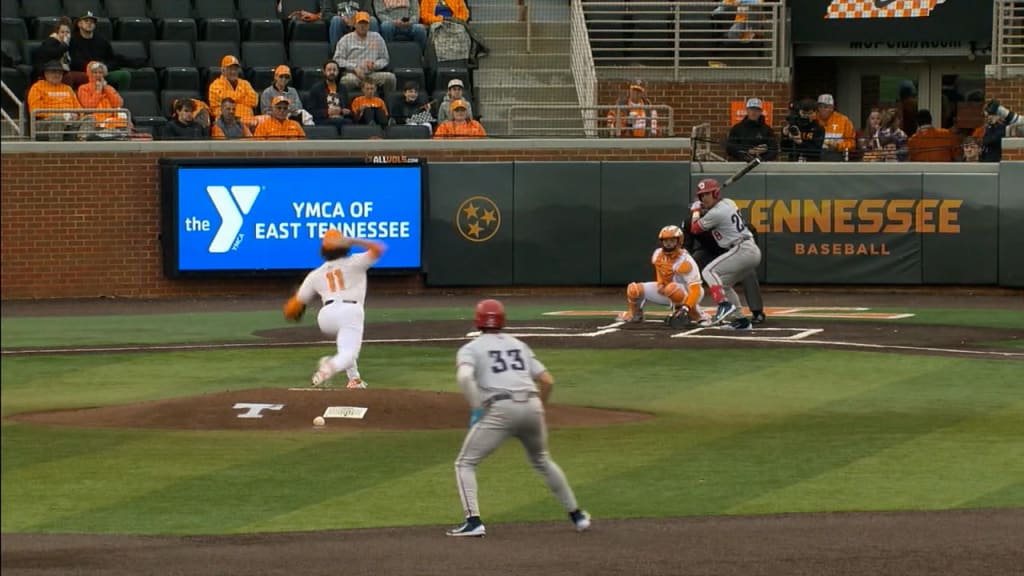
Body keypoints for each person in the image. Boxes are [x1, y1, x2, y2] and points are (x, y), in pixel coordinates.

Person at [447, 298, 591, 537]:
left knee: (465, 463)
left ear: (478, 321)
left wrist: (476, 409)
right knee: (542, 460)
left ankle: (473, 521)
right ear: (503, 320)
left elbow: (464, 378)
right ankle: (577, 516)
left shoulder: (470, 349)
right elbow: (547, 380)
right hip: (532, 405)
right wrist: (538, 409)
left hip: (500, 409)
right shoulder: (519, 345)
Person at [283, 230, 386, 389]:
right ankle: (328, 367)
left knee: (345, 343)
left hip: (326, 317)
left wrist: (292, 309)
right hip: (350, 310)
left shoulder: (316, 274)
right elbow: (379, 248)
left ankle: (355, 380)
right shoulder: (356, 261)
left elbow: (293, 307)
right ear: (344, 247)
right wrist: (353, 240)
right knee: (348, 353)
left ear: (323, 251)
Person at [689, 178, 761, 330]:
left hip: (742, 248)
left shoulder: (717, 212)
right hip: (748, 248)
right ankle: (741, 321)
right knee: (724, 285)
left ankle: (723, 304)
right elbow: (713, 212)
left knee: (708, 271)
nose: (703, 198)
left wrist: (696, 211)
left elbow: (695, 228)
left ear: (715, 193)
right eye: (701, 196)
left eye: (706, 194)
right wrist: (704, 207)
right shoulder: (728, 202)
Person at [618, 225, 708, 327]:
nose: (668, 244)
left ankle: (699, 316)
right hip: (668, 289)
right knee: (633, 289)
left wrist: (686, 307)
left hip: (690, 292)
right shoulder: (658, 254)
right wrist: (660, 282)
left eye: (672, 240)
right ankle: (634, 315)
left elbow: (695, 289)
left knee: (672, 289)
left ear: (679, 241)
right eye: (665, 241)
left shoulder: (686, 260)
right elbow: (659, 271)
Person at [683, 217, 766, 324]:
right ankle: (686, 309)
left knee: (748, 272)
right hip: (708, 250)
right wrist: (684, 260)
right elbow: (686, 245)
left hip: (730, 250)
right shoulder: (690, 222)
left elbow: (750, 229)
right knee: (689, 266)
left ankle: (757, 311)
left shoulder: (723, 215)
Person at [27, 60, 94, 140]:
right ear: (45, 73)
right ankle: (56, 148)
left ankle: (82, 142)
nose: (57, 74)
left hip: (69, 122)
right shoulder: (37, 87)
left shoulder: (67, 88)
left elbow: (78, 109)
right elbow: (35, 110)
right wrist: (61, 115)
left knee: (90, 118)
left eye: (60, 72)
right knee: (58, 119)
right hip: (45, 122)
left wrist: (77, 115)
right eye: (53, 72)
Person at [334, 11, 397, 94]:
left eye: (365, 24)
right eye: (360, 23)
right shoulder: (345, 39)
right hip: (353, 74)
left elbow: (384, 59)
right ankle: (344, 104)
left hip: (372, 74)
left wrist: (375, 65)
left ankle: (388, 103)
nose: (363, 26)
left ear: (369, 25)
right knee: (346, 80)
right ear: (355, 24)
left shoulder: (377, 37)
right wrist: (354, 68)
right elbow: (337, 59)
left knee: (390, 78)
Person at [69, 11, 130, 91]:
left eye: (92, 22)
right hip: (84, 73)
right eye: (86, 21)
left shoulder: (102, 41)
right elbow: (73, 61)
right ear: (79, 24)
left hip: (102, 73)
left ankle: (120, 101)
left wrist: (105, 68)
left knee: (124, 75)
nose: (89, 23)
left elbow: (112, 59)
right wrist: (91, 69)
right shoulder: (72, 40)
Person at [75, 61, 127, 136]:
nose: (98, 75)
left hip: (110, 120)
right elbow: (88, 106)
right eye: (95, 73)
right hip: (93, 121)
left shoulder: (109, 88)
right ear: (89, 74)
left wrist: (105, 88)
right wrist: (98, 91)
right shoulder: (83, 88)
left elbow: (118, 104)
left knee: (124, 118)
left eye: (100, 73)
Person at [208, 55, 259, 122]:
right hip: (225, 122)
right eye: (230, 69)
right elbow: (216, 107)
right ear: (223, 70)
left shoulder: (245, 83)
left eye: (235, 69)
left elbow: (254, 101)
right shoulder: (215, 85)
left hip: (247, 121)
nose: (233, 72)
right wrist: (242, 98)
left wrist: (232, 99)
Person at [725, 97, 778, 162]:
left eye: (757, 110)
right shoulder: (737, 128)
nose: (754, 112)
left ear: (761, 111)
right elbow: (730, 148)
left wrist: (762, 158)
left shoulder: (767, 130)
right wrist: (748, 151)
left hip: (761, 166)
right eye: (751, 109)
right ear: (747, 110)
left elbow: (774, 150)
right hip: (741, 165)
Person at [308, 60, 354, 128]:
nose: (332, 72)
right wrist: (327, 112)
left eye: (334, 70)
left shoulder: (343, 88)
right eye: (329, 70)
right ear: (324, 72)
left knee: (349, 122)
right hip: (323, 119)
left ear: (338, 72)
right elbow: (310, 111)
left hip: (341, 118)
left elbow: (349, 109)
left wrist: (344, 111)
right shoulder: (316, 89)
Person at [32, 18, 73, 83]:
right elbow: (55, 54)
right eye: (62, 32)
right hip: (46, 71)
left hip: (59, 70)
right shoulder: (51, 42)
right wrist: (65, 45)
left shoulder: (69, 43)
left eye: (67, 32)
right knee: (69, 77)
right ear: (57, 33)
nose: (65, 35)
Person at [815, 94, 855, 160]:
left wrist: (837, 146)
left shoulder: (844, 121)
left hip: (836, 155)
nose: (822, 109)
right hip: (815, 155)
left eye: (825, 107)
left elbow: (851, 144)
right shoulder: (813, 118)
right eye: (820, 107)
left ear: (832, 108)